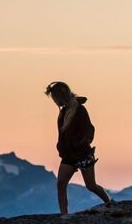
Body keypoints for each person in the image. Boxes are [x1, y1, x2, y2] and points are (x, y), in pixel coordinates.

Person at [45, 81, 113, 215]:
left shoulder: (79, 110)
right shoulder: (64, 112)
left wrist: (80, 144)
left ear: (61, 95)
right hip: (69, 155)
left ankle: (109, 203)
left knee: (91, 185)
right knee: (61, 184)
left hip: (82, 154)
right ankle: (64, 214)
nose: (54, 101)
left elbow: (89, 130)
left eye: (55, 98)